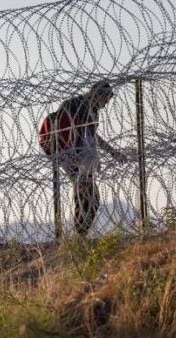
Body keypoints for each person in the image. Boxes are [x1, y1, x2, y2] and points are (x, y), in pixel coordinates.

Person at [56, 81, 128, 236]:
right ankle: (79, 236)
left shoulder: (93, 111)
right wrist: (71, 158)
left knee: (89, 200)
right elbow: (62, 130)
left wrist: (111, 151)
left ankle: (80, 236)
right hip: (71, 158)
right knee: (88, 198)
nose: (106, 104)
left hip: (84, 162)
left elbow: (92, 136)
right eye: (105, 100)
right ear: (97, 95)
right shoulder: (74, 105)